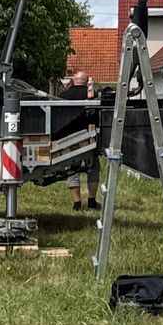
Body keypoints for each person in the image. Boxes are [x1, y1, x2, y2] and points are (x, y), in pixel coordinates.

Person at [59, 60, 101, 213]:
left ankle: (77, 203)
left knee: (72, 170)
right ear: (87, 81)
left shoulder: (62, 96)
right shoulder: (92, 95)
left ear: (73, 81)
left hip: (69, 140)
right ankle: (92, 201)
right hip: (89, 139)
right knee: (93, 168)